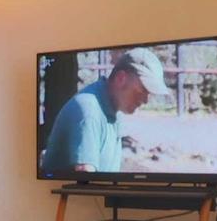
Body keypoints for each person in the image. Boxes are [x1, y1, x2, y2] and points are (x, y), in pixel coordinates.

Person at [40, 47, 171, 174]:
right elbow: (86, 181)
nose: (145, 100)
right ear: (121, 78)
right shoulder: (89, 110)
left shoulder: (113, 106)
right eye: (143, 90)